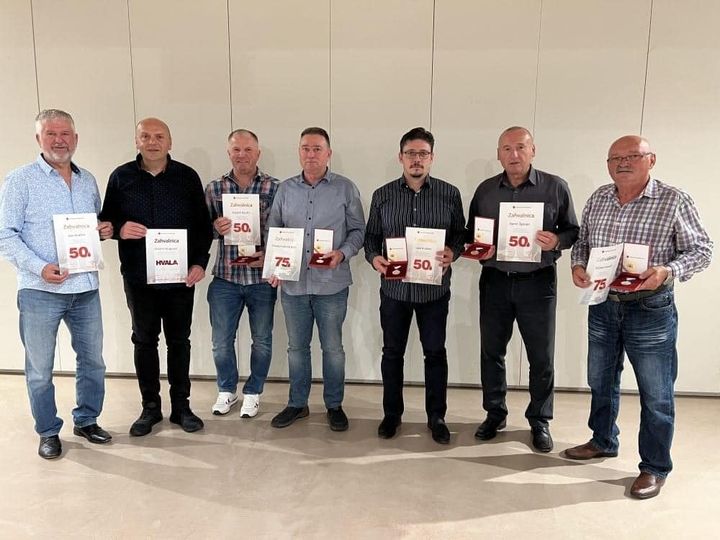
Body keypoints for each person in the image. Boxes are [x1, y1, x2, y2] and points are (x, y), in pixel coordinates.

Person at [566, 135, 712, 499]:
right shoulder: (599, 198)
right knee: (600, 380)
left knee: (656, 392)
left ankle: (655, 467)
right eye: (615, 158)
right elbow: (583, 242)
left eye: (632, 156)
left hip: (650, 308)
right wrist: (578, 265)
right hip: (603, 303)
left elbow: (702, 249)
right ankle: (603, 440)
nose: (623, 163)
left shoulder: (674, 200)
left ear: (651, 160)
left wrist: (667, 270)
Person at [0, 109, 113, 459]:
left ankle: (87, 420)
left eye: (65, 134)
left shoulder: (87, 180)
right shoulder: (20, 180)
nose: (59, 140)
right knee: (39, 369)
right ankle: (48, 431)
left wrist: (103, 230)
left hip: (85, 288)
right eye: (51, 134)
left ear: (76, 139)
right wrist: (40, 267)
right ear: (39, 139)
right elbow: (5, 235)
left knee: (93, 362)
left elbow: (93, 225)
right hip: (40, 291)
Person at [467, 126, 579, 452]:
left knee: (541, 357)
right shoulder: (486, 190)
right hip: (495, 281)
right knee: (492, 352)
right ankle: (495, 413)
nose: (513, 155)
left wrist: (556, 240)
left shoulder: (555, 187)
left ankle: (539, 420)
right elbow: (471, 233)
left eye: (520, 147)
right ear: (498, 154)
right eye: (506, 149)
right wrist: (479, 249)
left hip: (538, 282)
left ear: (533, 150)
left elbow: (573, 231)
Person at [100, 118, 212, 436]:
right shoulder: (120, 177)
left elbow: (202, 226)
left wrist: (200, 263)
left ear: (170, 142)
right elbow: (106, 222)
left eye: (159, 136)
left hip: (180, 277)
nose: (152, 142)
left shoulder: (187, 177)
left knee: (179, 341)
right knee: (144, 341)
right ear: (137, 141)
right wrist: (119, 230)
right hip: (139, 277)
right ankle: (150, 408)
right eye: (145, 136)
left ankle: (181, 407)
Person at [364, 127, 466, 445]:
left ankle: (436, 417)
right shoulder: (382, 195)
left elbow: (460, 234)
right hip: (394, 291)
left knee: (434, 354)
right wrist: (374, 258)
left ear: (432, 158)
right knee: (392, 353)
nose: (416, 159)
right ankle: (392, 415)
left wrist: (453, 252)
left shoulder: (449, 194)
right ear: (401, 157)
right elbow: (371, 238)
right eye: (411, 153)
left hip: (433, 292)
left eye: (423, 153)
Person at [266, 127, 365, 431]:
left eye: (317, 149)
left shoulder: (345, 189)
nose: (311, 154)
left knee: (332, 349)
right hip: (294, 285)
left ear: (328, 153)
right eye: (305, 148)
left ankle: (334, 405)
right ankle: (298, 403)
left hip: (331, 284)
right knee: (297, 349)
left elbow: (358, 231)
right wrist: (274, 266)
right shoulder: (285, 189)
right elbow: (274, 231)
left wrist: (342, 253)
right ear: (299, 152)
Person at [205, 129, 279, 418]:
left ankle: (253, 392)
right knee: (221, 342)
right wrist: (215, 227)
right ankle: (227, 390)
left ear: (258, 153)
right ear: (228, 153)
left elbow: (284, 230)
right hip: (225, 278)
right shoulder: (214, 189)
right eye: (236, 149)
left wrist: (270, 256)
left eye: (248, 149)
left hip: (261, 280)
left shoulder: (275, 188)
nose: (242, 155)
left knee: (262, 341)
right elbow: (202, 231)